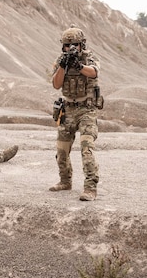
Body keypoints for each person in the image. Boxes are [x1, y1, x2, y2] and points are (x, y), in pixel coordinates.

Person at [49, 25, 103, 201]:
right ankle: (65, 181)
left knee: (87, 148)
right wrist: (64, 66)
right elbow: (56, 84)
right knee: (62, 149)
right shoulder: (60, 60)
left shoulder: (89, 57)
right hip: (68, 109)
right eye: (66, 45)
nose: (70, 48)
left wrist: (78, 65)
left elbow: (94, 73)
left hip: (87, 109)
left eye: (74, 45)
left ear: (82, 45)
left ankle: (90, 187)